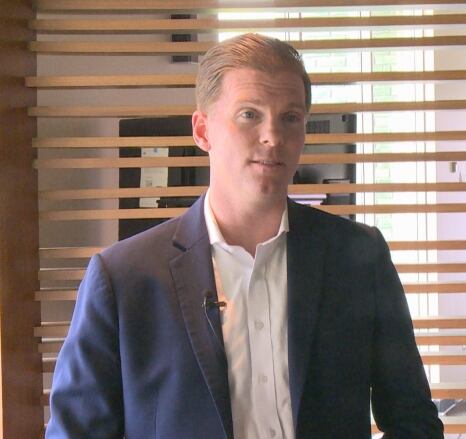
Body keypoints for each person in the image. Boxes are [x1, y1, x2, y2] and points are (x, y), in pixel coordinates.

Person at [46, 33, 443, 439]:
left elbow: (413, 419)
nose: (273, 136)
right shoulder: (122, 278)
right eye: (249, 114)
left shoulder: (359, 257)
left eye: (290, 117)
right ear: (202, 131)